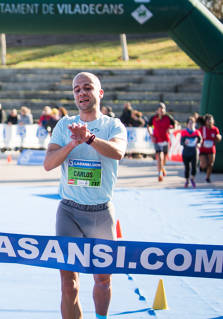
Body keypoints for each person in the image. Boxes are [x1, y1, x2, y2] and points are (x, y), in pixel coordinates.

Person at [43, 72, 127, 319]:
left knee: (103, 279)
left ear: (99, 93)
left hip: (101, 211)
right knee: (68, 284)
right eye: (76, 89)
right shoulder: (63, 125)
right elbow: (48, 164)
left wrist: (89, 138)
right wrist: (72, 143)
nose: (81, 93)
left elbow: (118, 152)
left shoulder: (113, 125)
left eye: (87, 88)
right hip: (69, 211)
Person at [147, 102, 176, 182]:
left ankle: (162, 168)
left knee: (165, 157)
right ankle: (159, 173)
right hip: (157, 140)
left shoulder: (168, 117)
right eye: (160, 109)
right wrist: (151, 135)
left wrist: (171, 129)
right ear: (157, 110)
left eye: (163, 109)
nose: (162, 111)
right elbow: (148, 126)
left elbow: (175, 125)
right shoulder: (153, 118)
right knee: (159, 157)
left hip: (166, 140)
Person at [198, 114, 221, 183]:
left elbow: (218, 138)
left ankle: (208, 177)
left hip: (211, 149)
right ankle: (201, 166)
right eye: (208, 120)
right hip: (203, 149)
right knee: (204, 164)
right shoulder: (202, 129)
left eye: (211, 120)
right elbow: (197, 135)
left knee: (211, 164)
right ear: (205, 121)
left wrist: (218, 137)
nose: (209, 121)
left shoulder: (215, 129)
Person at [180, 116, 201, 188]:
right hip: (186, 152)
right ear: (187, 124)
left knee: (194, 167)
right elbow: (181, 142)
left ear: (195, 124)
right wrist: (184, 142)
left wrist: (198, 144)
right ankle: (187, 181)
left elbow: (200, 140)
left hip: (194, 152)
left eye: (192, 123)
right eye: (189, 123)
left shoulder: (197, 132)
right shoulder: (184, 132)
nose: (191, 124)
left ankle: (192, 179)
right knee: (187, 168)